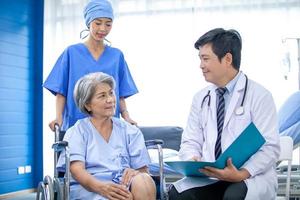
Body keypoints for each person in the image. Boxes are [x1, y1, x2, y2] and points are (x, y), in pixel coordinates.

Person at [168, 28, 280, 200]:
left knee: (233, 196)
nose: (201, 65)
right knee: (179, 193)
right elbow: (191, 140)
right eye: (200, 59)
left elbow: (270, 147)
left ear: (227, 59)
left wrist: (242, 173)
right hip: (211, 176)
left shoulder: (259, 96)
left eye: (205, 59)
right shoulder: (201, 98)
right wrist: (192, 159)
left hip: (249, 177)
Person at [56, 72, 156, 200]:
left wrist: (137, 173)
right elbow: (76, 170)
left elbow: (143, 169)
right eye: (102, 96)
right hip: (89, 186)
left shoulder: (130, 131)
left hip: (123, 184)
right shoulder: (77, 131)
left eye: (111, 93)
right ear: (88, 104)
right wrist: (102, 188)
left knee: (144, 181)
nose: (110, 99)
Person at [44, 0, 138, 131]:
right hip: (76, 124)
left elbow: (120, 93)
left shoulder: (117, 56)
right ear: (89, 22)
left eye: (108, 24)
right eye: (98, 23)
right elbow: (61, 91)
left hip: (108, 125)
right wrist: (58, 118)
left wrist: (126, 116)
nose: (103, 29)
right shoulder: (71, 52)